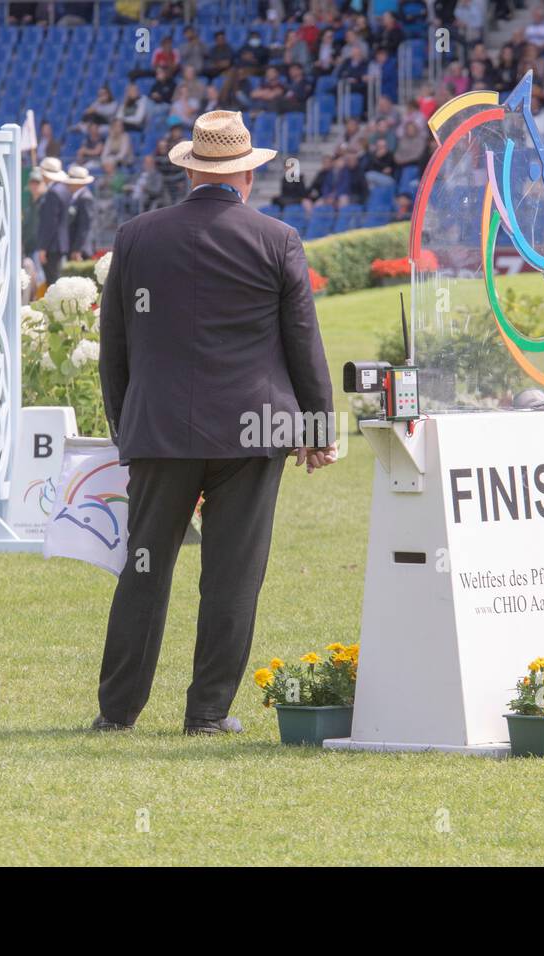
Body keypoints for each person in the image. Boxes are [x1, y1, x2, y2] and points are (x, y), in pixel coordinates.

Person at [94, 110, 335, 736]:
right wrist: (317, 430)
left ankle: (116, 712)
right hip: (255, 432)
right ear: (247, 175)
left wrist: (128, 429)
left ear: (190, 171)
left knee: (143, 568)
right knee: (232, 573)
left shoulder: (137, 235)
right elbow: (302, 342)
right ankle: (207, 713)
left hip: (160, 431)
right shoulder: (277, 238)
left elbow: (114, 345)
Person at [35, 157, 77, 286]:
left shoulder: (53, 193)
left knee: (52, 282)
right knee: (57, 280)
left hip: (52, 245)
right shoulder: (64, 190)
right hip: (60, 242)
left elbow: (50, 223)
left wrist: (43, 247)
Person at [66, 164, 96, 260]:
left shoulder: (85, 198)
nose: (68, 184)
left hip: (81, 250)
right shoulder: (77, 197)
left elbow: (84, 226)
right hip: (75, 246)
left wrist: (77, 249)